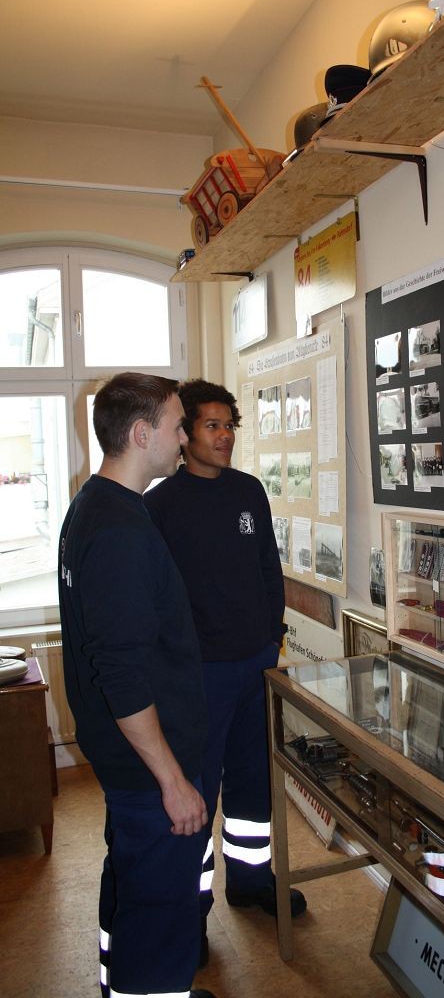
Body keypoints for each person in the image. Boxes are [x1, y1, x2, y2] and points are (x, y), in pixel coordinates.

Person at [58, 372, 216, 998]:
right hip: (150, 765)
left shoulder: (95, 506)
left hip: (130, 762)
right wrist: (172, 781)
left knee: (133, 882)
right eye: (178, 426)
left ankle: (119, 983)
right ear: (142, 433)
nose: (185, 439)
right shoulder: (120, 529)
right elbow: (121, 674)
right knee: (157, 907)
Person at [144, 379, 306, 964]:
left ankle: (252, 880)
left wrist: (272, 637)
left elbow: (269, 570)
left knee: (252, 782)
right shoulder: (158, 506)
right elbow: (155, 600)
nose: (224, 435)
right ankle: (193, 912)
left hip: (255, 665)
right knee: (197, 793)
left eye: (229, 424)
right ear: (184, 435)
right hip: (198, 678)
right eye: (211, 425)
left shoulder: (249, 491)